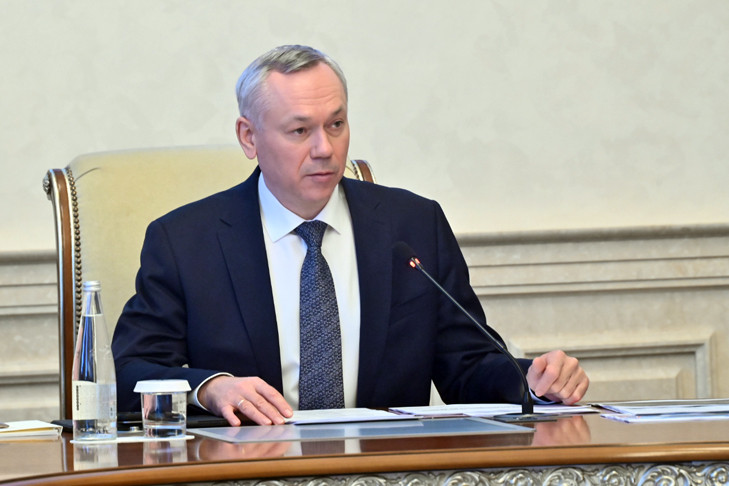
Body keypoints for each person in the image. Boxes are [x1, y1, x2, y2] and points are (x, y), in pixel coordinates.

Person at [112, 45, 589, 426]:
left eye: (336, 124)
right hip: (248, 471)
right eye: (300, 131)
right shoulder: (186, 241)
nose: (325, 148)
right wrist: (210, 388)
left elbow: (466, 364)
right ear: (249, 137)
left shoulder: (413, 225)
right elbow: (133, 372)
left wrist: (533, 381)